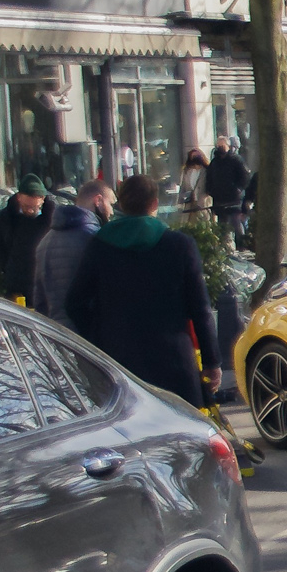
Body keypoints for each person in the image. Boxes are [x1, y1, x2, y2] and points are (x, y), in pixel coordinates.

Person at [67, 173, 219, 406]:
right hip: (173, 361)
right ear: (155, 204)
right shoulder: (179, 245)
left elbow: (74, 303)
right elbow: (200, 309)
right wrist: (212, 361)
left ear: (122, 205)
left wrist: (99, 335)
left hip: (119, 359)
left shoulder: (100, 245)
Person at [33, 180, 108, 325]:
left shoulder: (45, 242)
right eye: (110, 203)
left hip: (58, 333)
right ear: (98, 200)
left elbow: (40, 301)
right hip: (87, 333)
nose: (111, 211)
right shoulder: (94, 238)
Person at [0, 176, 51, 294]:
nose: (30, 211)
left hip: (45, 283)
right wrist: (8, 267)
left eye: (34, 207)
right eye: (26, 207)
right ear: (19, 198)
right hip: (16, 283)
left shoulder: (51, 217)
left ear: (42, 199)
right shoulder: (6, 217)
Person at [204, 140, 250, 226]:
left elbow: (245, 176)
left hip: (234, 199)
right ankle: (225, 239)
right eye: (218, 145)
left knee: (236, 222)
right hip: (219, 198)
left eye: (222, 145)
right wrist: (210, 190)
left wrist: (238, 188)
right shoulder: (215, 162)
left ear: (228, 146)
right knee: (223, 224)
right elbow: (209, 177)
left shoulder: (236, 160)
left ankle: (241, 239)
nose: (220, 147)